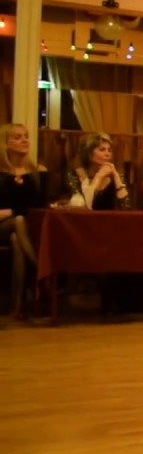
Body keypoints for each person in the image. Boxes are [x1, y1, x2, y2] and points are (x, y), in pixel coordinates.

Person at [0, 123, 46, 316]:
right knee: (18, 221)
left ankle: (16, 304)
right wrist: (14, 212)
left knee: (17, 240)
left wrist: (13, 212)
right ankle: (42, 272)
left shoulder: (37, 172)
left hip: (26, 228)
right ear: (5, 143)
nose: (25, 140)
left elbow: (41, 206)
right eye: (18, 137)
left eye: (26, 136)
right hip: (2, 226)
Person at [68, 133, 130, 209]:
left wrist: (116, 176)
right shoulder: (76, 175)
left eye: (109, 150)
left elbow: (126, 208)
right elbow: (84, 207)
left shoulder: (116, 176)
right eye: (102, 149)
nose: (107, 154)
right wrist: (99, 177)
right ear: (89, 154)